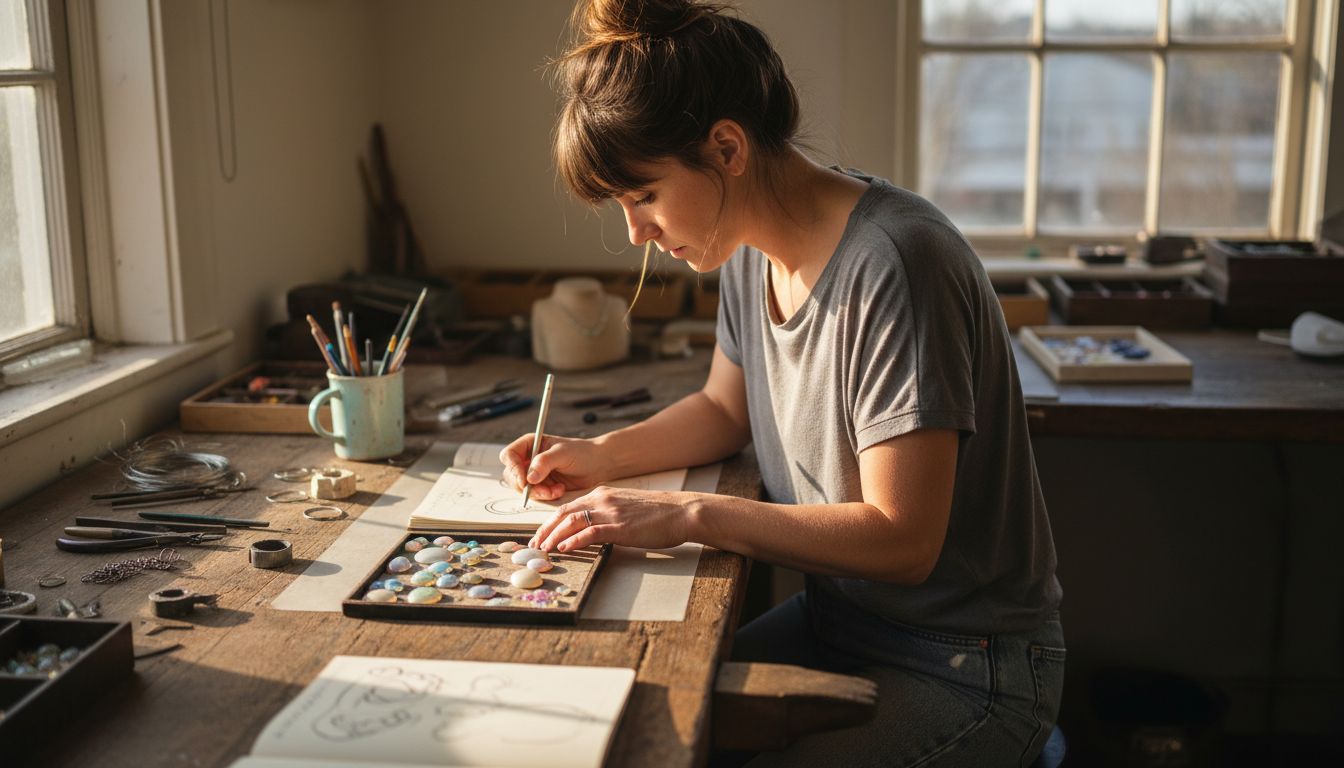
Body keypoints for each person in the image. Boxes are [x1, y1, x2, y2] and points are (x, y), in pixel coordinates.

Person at [501, 0, 1065, 764]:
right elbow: (723, 409)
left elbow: (905, 540)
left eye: (644, 197)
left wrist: (691, 514)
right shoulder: (742, 248)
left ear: (727, 147)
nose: (636, 233)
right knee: (638, 725)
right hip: (840, 623)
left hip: (967, 663)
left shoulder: (895, 265)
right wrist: (601, 455)